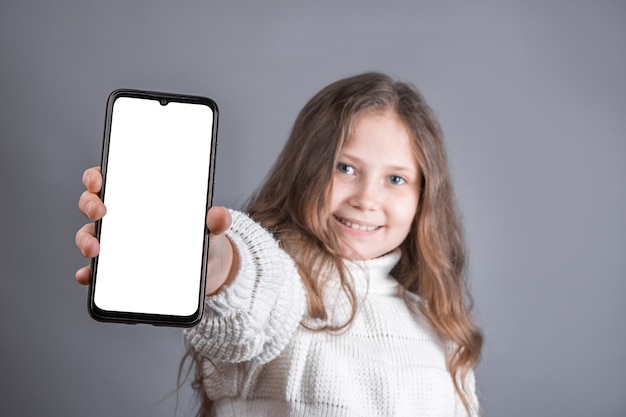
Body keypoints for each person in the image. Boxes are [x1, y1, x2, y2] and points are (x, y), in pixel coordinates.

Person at [75, 72, 483, 417]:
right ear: (305, 170)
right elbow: (250, 292)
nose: (366, 199)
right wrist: (212, 260)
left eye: (396, 179)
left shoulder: (440, 326)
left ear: (423, 198)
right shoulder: (282, 286)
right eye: (345, 168)